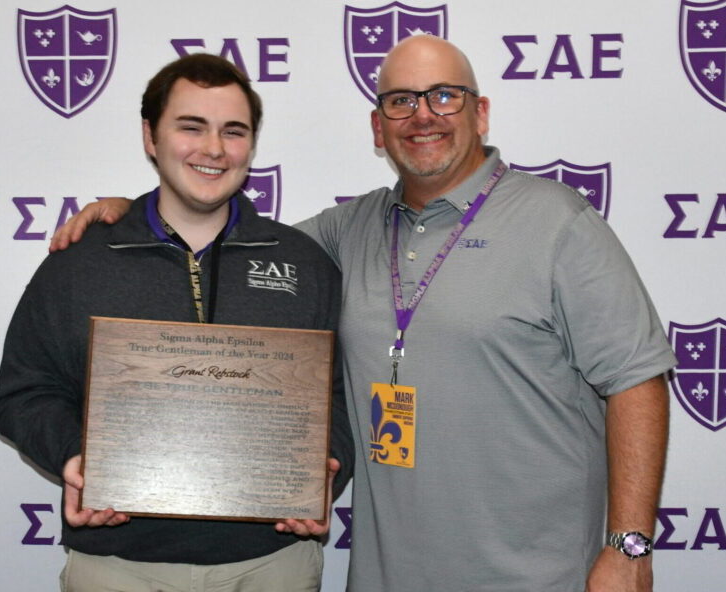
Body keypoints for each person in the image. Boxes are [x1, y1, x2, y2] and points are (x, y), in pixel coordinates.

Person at [50, 36, 676, 592]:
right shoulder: (349, 229)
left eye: (444, 96)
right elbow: (223, 236)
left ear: (480, 112)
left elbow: (637, 380)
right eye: (401, 101)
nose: (423, 115)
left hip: (536, 573)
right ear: (378, 129)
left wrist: (629, 549)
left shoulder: (558, 223)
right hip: (390, 573)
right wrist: (137, 212)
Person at [0, 53, 353, 592]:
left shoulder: (303, 262)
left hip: (270, 564)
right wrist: (74, 457)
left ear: (251, 146)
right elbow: (24, 392)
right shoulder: (80, 261)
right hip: (117, 565)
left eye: (233, 131)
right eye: (191, 127)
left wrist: (326, 471)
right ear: (150, 136)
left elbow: (342, 399)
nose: (212, 149)